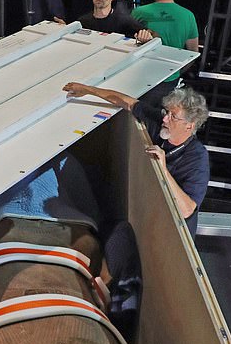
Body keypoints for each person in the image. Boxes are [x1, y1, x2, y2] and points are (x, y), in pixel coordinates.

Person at [63, 81, 209, 237]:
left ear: (189, 126)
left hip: (171, 235)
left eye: (173, 116)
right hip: (147, 217)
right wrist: (88, 89)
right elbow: (126, 102)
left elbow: (187, 210)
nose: (165, 119)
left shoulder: (197, 159)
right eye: (166, 112)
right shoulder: (160, 123)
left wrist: (163, 171)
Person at [131, 0, 199, 104]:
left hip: (140, 81)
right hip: (169, 83)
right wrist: (175, 73)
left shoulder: (140, 12)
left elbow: (127, 46)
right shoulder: (188, 17)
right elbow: (193, 54)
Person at [55, 0, 153, 42]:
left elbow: (150, 36)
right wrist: (65, 30)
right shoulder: (82, 22)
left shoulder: (124, 21)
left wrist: (146, 36)